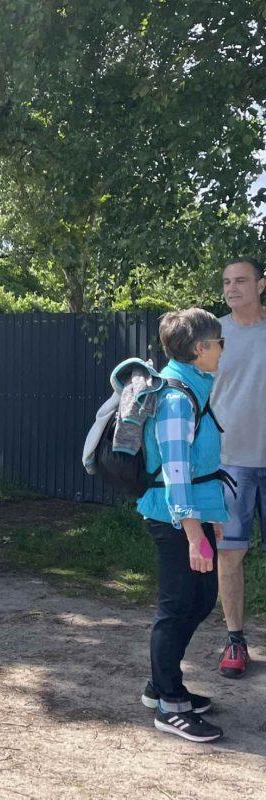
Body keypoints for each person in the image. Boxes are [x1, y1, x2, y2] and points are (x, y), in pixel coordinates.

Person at [136, 308, 229, 743]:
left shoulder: (193, 385)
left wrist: (209, 523)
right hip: (173, 517)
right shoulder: (177, 395)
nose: (222, 350)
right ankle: (168, 702)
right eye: (218, 343)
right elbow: (175, 469)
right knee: (177, 607)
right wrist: (195, 533)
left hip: (193, 515)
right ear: (199, 349)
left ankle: (163, 683)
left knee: (201, 599)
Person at [212, 256, 266, 680]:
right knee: (229, 554)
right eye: (227, 282)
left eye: (241, 280)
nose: (232, 288)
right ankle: (235, 641)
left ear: (261, 285)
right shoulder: (211, 336)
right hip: (230, 464)